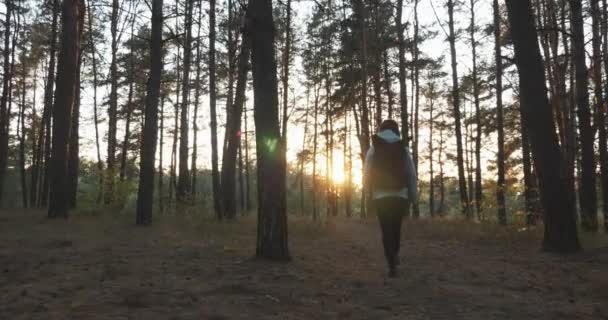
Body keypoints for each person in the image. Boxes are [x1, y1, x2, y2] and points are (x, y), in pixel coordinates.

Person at [364, 119, 417, 278]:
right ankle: (395, 254)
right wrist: (413, 197)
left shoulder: (374, 149)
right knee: (396, 228)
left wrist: (368, 194)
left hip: (380, 196)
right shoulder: (403, 148)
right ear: (396, 131)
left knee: (386, 230)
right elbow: (411, 174)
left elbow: (367, 174)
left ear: (381, 130)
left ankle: (391, 264)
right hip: (400, 196)